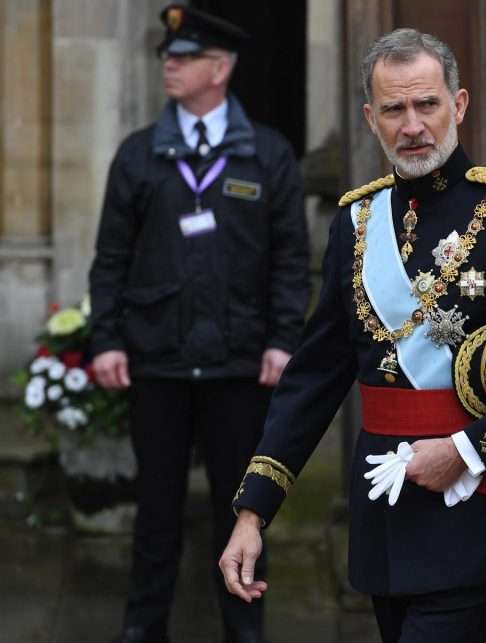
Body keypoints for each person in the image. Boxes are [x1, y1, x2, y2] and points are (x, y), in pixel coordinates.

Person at [218, 28, 486, 643]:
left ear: (458, 104)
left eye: (426, 104)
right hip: (383, 511)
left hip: (472, 504)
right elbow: (316, 376)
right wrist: (253, 511)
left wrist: (467, 450)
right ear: (372, 119)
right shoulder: (355, 222)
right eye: (395, 109)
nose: (413, 126)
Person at [88, 5, 310, 643]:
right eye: (168, 55)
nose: (169, 65)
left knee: (241, 512)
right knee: (155, 514)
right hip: (157, 363)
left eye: (183, 57)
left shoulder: (267, 156)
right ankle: (142, 627)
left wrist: (281, 340)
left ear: (220, 68)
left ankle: (245, 629)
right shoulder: (138, 155)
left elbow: (292, 260)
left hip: (239, 367)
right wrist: (106, 339)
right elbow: (110, 261)